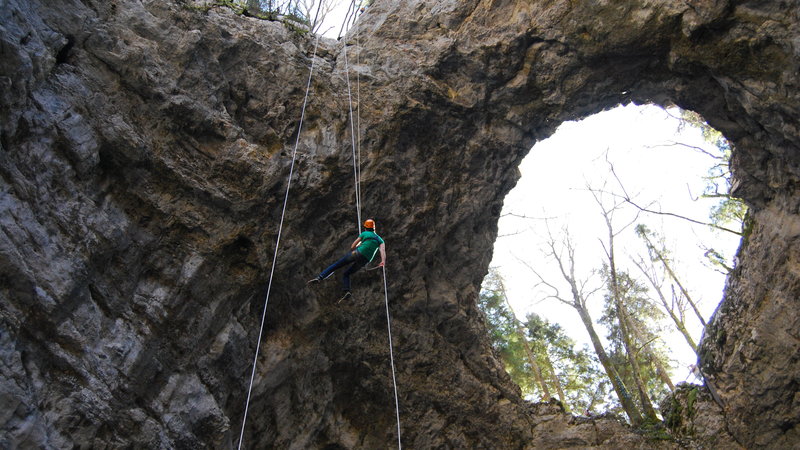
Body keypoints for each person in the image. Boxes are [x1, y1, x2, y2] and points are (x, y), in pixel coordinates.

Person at [307, 219, 386, 301]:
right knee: (346, 274)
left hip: (357, 253)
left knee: (336, 265)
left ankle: (320, 277)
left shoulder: (364, 234)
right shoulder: (380, 240)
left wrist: (359, 246)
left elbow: (352, 246)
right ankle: (347, 291)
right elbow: (382, 251)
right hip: (365, 260)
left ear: (365, 227)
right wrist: (383, 261)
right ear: (374, 228)